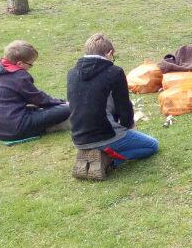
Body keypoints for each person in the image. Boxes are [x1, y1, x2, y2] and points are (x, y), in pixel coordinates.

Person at [68, 33, 159, 178]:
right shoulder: (114, 72)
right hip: (105, 134)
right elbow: (123, 106)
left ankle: (94, 153)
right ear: (109, 53)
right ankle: (109, 159)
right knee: (152, 145)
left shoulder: (72, 73)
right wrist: (128, 125)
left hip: (78, 137)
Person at [0, 40, 71, 142]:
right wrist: (63, 102)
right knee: (69, 108)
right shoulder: (19, 76)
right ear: (20, 63)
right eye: (30, 64)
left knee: (45, 110)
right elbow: (39, 99)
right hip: (13, 130)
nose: (30, 67)